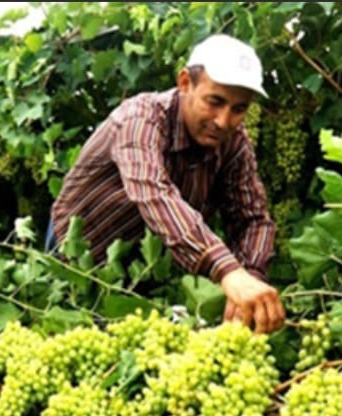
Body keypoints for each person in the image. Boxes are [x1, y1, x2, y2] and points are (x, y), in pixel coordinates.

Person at [46, 34, 286, 334]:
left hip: (144, 268)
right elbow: (153, 193)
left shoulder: (233, 143)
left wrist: (249, 276)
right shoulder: (139, 119)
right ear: (185, 82)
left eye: (239, 109)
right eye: (215, 102)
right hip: (80, 254)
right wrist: (228, 271)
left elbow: (252, 219)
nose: (224, 121)